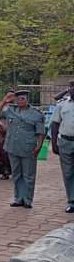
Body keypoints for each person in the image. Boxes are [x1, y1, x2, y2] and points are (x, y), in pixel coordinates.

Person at [0, 90, 45, 209]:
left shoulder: (36, 114)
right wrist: (4, 101)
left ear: (27, 100)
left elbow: (41, 133)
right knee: (17, 174)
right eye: (18, 99)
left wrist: (39, 147)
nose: (20, 101)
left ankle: (27, 200)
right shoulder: (10, 110)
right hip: (12, 147)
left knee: (28, 175)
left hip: (28, 148)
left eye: (23, 98)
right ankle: (18, 198)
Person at [51, 80, 74, 213]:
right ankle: (72, 201)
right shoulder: (62, 105)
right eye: (71, 86)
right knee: (68, 172)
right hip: (65, 142)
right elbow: (55, 124)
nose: (72, 89)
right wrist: (54, 143)